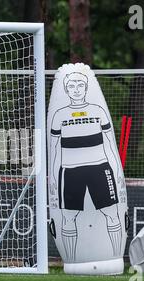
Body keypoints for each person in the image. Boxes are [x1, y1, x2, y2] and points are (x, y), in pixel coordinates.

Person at [50, 72, 123, 261]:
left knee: (112, 214)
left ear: (86, 88)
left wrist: (116, 170)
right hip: (70, 171)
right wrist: (54, 176)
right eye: (72, 86)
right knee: (68, 217)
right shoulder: (60, 115)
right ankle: (73, 262)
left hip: (99, 168)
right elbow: (56, 149)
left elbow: (109, 144)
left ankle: (114, 258)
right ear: (66, 90)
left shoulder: (98, 111)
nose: (76, 90)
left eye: (80, 85)